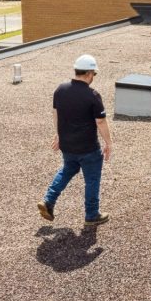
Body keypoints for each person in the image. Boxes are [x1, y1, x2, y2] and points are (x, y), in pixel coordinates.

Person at [38, 54, 113, 229]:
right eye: (94, 73)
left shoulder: (60, 90)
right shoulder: (92, 95)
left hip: (68, 146)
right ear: (89, 73)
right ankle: (92, 214)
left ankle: (48, 200)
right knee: (92, 180)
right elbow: (100, 121)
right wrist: (109, 143)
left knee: (67, 170)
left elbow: (56, 113)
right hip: (88, 148)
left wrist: (59, 135)